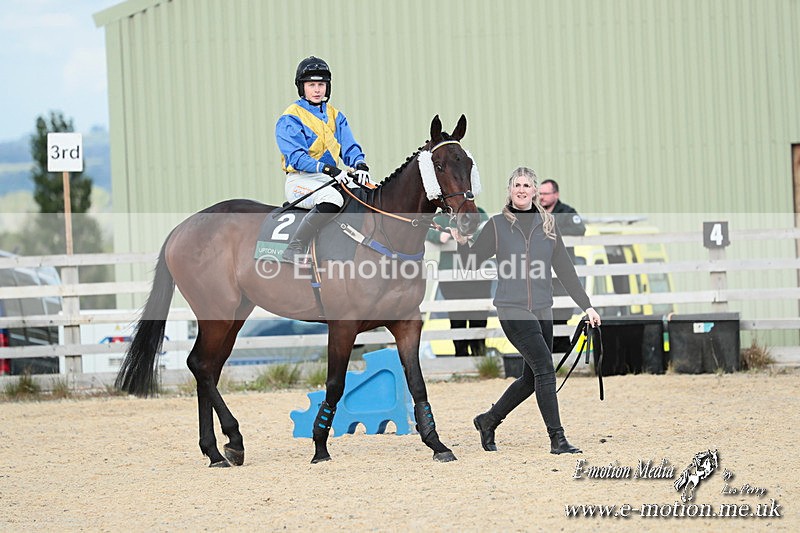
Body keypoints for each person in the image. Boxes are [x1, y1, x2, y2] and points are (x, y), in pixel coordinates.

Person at [451, 167, 601, 455]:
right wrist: (461, 244)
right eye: (517, 185)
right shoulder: (496, 225)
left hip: (544, 309)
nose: (521, 189)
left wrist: (587, 306)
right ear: (510, 191)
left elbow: (566, 271)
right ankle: (557, 439)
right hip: (513, 309)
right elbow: (471, 263)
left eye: (527, 185)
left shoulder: (549, 226)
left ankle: (488, 420)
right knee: (545, 367)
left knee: (532, 378)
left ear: (535, 192)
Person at [276, 56, 371, 264]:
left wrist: (359, 163)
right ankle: (294, 248)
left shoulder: (336, 116)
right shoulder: (290, 117)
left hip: (330, 178)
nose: (317, 90)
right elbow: (297, 158)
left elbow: (349, 146)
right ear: (302, 88)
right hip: (300, 180)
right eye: (311, 85)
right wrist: (329, 170)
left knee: (366, 195)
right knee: (333, 200)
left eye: (321, 84)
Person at [426, 208, 491, 357]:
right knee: (457, 319)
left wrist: (461, 236)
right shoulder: (443, 218)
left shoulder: (479, 213)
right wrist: (438, 235)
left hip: (478, 277)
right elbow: (425, 230)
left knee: (479, 318)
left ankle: (479, 358)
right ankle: (460, 357)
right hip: (451, 278)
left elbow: (486, 234)